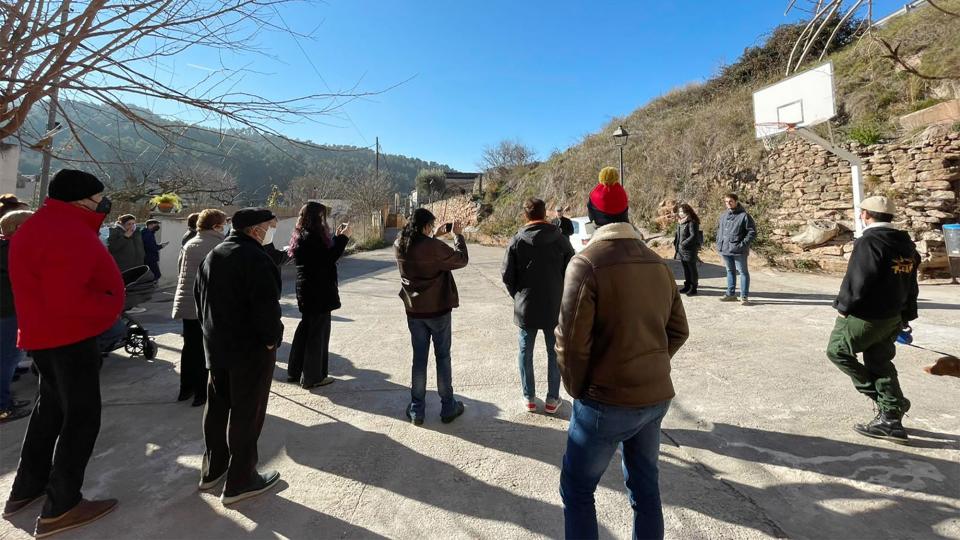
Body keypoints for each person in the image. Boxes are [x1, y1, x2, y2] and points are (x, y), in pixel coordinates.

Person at [556, 166, 689, 540]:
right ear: (627, 213)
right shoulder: (657, 263)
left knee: (578, 490)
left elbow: (570, 342)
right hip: (655, 397)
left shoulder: (586, 263)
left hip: (605, 402)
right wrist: (650, 365)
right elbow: (678, 330)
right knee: (646, 491)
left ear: (593, 216)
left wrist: (579, 389)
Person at [4, 169, 123, 537]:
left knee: (49, 412)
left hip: (42, 335)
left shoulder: (35, 227)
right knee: (81, 419)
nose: (101, 201)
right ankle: (62, 504)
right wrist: (109, 305)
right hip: (71, 336)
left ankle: (28, 486)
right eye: (96, 196)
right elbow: (68, 297)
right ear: (80, 198)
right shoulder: (69, 232)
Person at [194, 208, 283, 505]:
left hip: (216, 346)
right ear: (255, 230)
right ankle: (241, 480)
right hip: (249, 350)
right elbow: (266, 308)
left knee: (218, 408)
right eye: (269, 226)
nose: (271, 230)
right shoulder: (256, 259)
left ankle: (213, 470)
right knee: (247, 412)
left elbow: (199, 299)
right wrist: (272, 341)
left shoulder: (214, 254)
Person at [827, 196, 919, 445]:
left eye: (861, 212)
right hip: (893, 317)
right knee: (880, 362)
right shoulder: (905, 243)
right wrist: (908, 314)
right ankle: (891, 420)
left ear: (866, 215)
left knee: (837, 351)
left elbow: (859, 279)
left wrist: (844, 307)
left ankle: (890, 404)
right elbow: (911, 282)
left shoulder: (869, 241)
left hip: (867, 316)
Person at [395, 208, 468, 426]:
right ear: (426, 225)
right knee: (443, 357)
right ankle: (447, 406)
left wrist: (433, 235)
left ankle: (417, 409)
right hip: (438, 309)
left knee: (419, 358)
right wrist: (457, 236)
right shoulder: (434, 247)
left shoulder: (400, 243)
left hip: (414, 310)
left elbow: (420, 250)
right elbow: (461, 259)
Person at [501, 198, 574, 414]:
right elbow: (573, 268)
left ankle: (529, 397)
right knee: (555, 352)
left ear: (526, 216)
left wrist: (517, 295)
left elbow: (507, 275)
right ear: (545, 213)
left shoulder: (517, 240)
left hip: (526, 306)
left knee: (525, 351)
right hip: (554, 306)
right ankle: (552, 399)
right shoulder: (559, 239)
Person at [287, 202, 350, 389]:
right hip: (319, 291)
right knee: (318, 335)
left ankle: (295, 371)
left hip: (307, 289)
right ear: (317, 217)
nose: (326, 219)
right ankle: (313, 377)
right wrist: (343, 239)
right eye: (323, 216)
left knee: (306, 330)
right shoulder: (312, 236)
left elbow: (324, 256)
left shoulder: (301, 234)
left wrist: (337, 237)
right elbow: (328, 259)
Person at [172, 209, 227, 407]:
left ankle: (185, 389)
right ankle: (202, 393)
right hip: (207, 305)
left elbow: (181, 271)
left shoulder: (189, 243)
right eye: (223, 223)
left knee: (190, 348)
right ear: (215, 226)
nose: (225, 226)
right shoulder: (218, 245)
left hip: (187, 303)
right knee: (206, 350)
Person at [0, 210, 34, 423]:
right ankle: (2, 407)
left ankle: (5, 400)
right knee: (7, 359)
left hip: (8, 311)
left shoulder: (6, 246)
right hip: (8, 312)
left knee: (9, 359)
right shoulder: (13, 249)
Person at [716, 193, 756, 304]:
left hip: (739, 251)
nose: (728, 204)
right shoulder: (723, 215)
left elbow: (752, 232)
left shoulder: (744, 216)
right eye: (726, 202)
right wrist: (719, 243)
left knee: (743, 272)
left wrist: (742, 244)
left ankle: (744, 296)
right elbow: (719, 230)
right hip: (725, 248)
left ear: (736, 201)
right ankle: (730, 294)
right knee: (730, 271)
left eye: (730, 201)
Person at [673, 203, 702, 296]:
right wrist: (676, 243)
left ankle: (693, 288)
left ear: (688, 212)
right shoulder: (680, 222)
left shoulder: (692, 222)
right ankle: (687, 286)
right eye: (680, 211)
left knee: (692, 269)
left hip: (689, 250)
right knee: (686, 269)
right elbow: (678, 235)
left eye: (683, 211)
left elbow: (694, 236)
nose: (681, 213)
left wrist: (683, 243)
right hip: (681, 250)